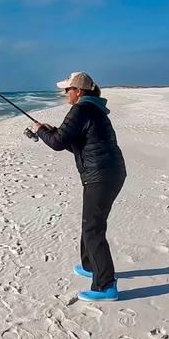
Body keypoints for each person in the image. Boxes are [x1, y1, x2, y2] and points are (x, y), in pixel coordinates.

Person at [34, 72, 126, 301]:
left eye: (68, 89)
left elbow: (57, 143)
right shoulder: (92, 109)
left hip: (101, 175)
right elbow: (73, 142)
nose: (65, 93)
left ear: (79, 91)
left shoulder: (81, 109)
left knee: (93, 229)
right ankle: (91, 266)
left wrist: (41, 131)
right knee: (90, 224)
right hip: (108, 173)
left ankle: (106, 286)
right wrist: (51, 131)